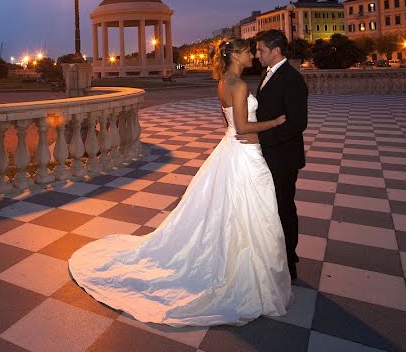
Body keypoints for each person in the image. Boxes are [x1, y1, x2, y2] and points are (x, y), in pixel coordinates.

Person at [68, 39, 293, 326]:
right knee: (246, 211)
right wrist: (275, 123)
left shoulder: (224, 82)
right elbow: (243, 126)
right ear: (236, 55)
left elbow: (229, 125)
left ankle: (237, 262)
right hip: (243, 153)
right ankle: (242, 271)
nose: (253, 55)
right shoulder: (238, 85)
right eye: (248, 51)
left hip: (231, 150)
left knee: (231, 212)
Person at [250, 29, 308, 280]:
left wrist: (262, 136)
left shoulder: (292, 79)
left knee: (284, 207)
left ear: (276, 51)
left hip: (283, 156)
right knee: (271, 207)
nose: (256, 54)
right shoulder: (269, 74)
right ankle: (275, 255)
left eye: (260, 49)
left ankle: (289, 260)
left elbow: (297, 123)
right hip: (270, 153)